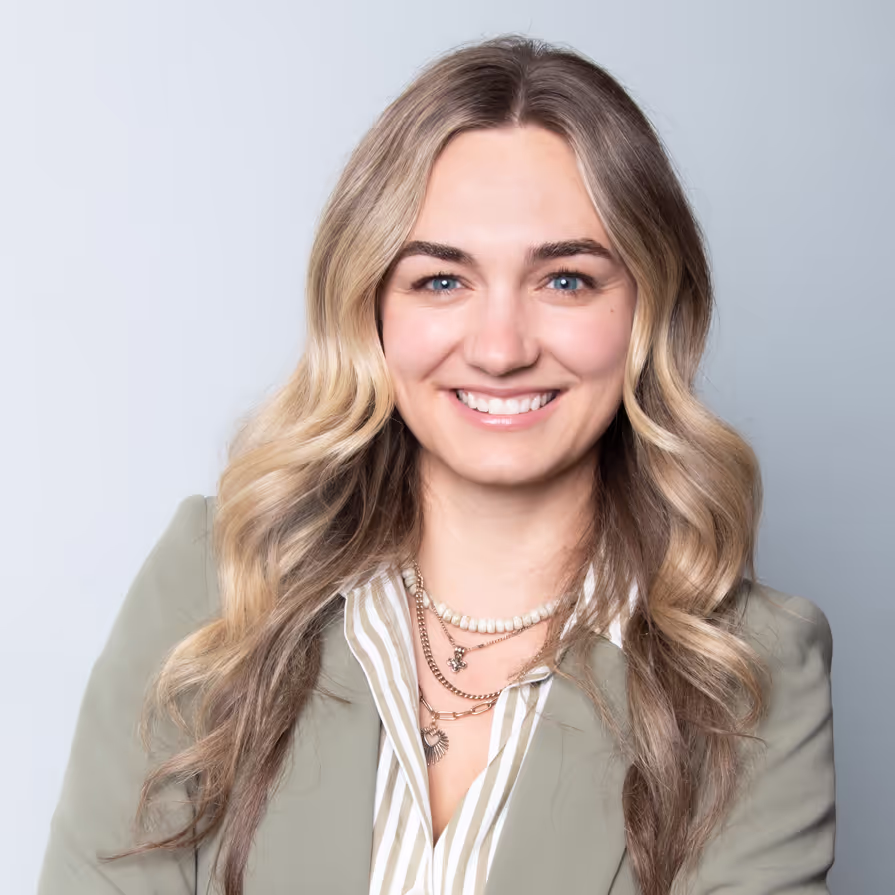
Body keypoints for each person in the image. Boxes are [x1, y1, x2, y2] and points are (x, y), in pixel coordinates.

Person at [37, 33, 835, 895]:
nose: (499, 348)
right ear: (369, 306)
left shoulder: (747, 672)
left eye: (566, 279)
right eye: (441, 281)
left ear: (651, 306)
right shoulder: (220, 583)